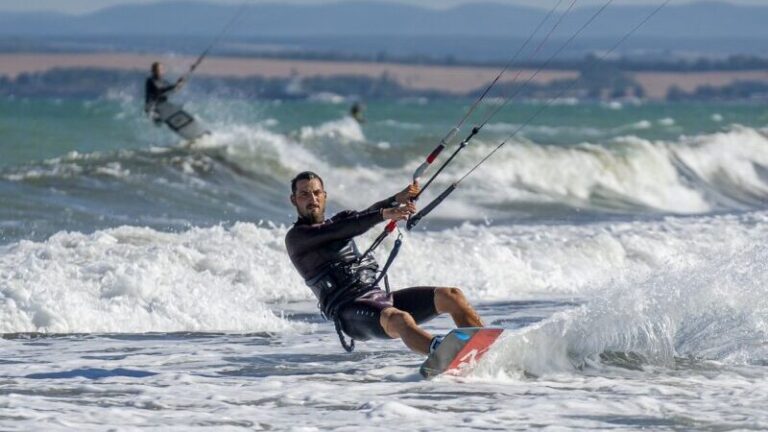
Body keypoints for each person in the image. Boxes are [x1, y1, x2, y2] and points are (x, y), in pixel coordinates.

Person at [285, 171, 484, 355]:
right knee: (400, 319)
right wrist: (383, 215)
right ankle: (442, 353)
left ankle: (483, 348)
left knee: (451, 296)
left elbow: (362, 216)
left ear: (324, 195)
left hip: (378, 298)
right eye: (305, 194)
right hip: (348, 311)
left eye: (317, 193)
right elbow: (343, 229)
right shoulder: (297, 238)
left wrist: (396, 200)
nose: (313, 199)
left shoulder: (340, 220)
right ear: (294, 200)